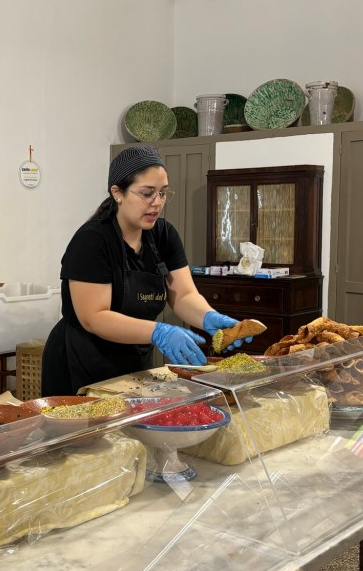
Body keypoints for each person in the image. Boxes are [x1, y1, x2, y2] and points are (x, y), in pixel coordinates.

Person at [41, 144, 250, 396]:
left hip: (133, 360)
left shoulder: (164, 235)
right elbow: (94, 317)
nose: (157, 203)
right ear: (117, 193)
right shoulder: (92, 241)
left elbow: (183, 295)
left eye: (163, 193)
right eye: (147, 193)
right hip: (83, 361)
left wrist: (208, 317)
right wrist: (158, 332)